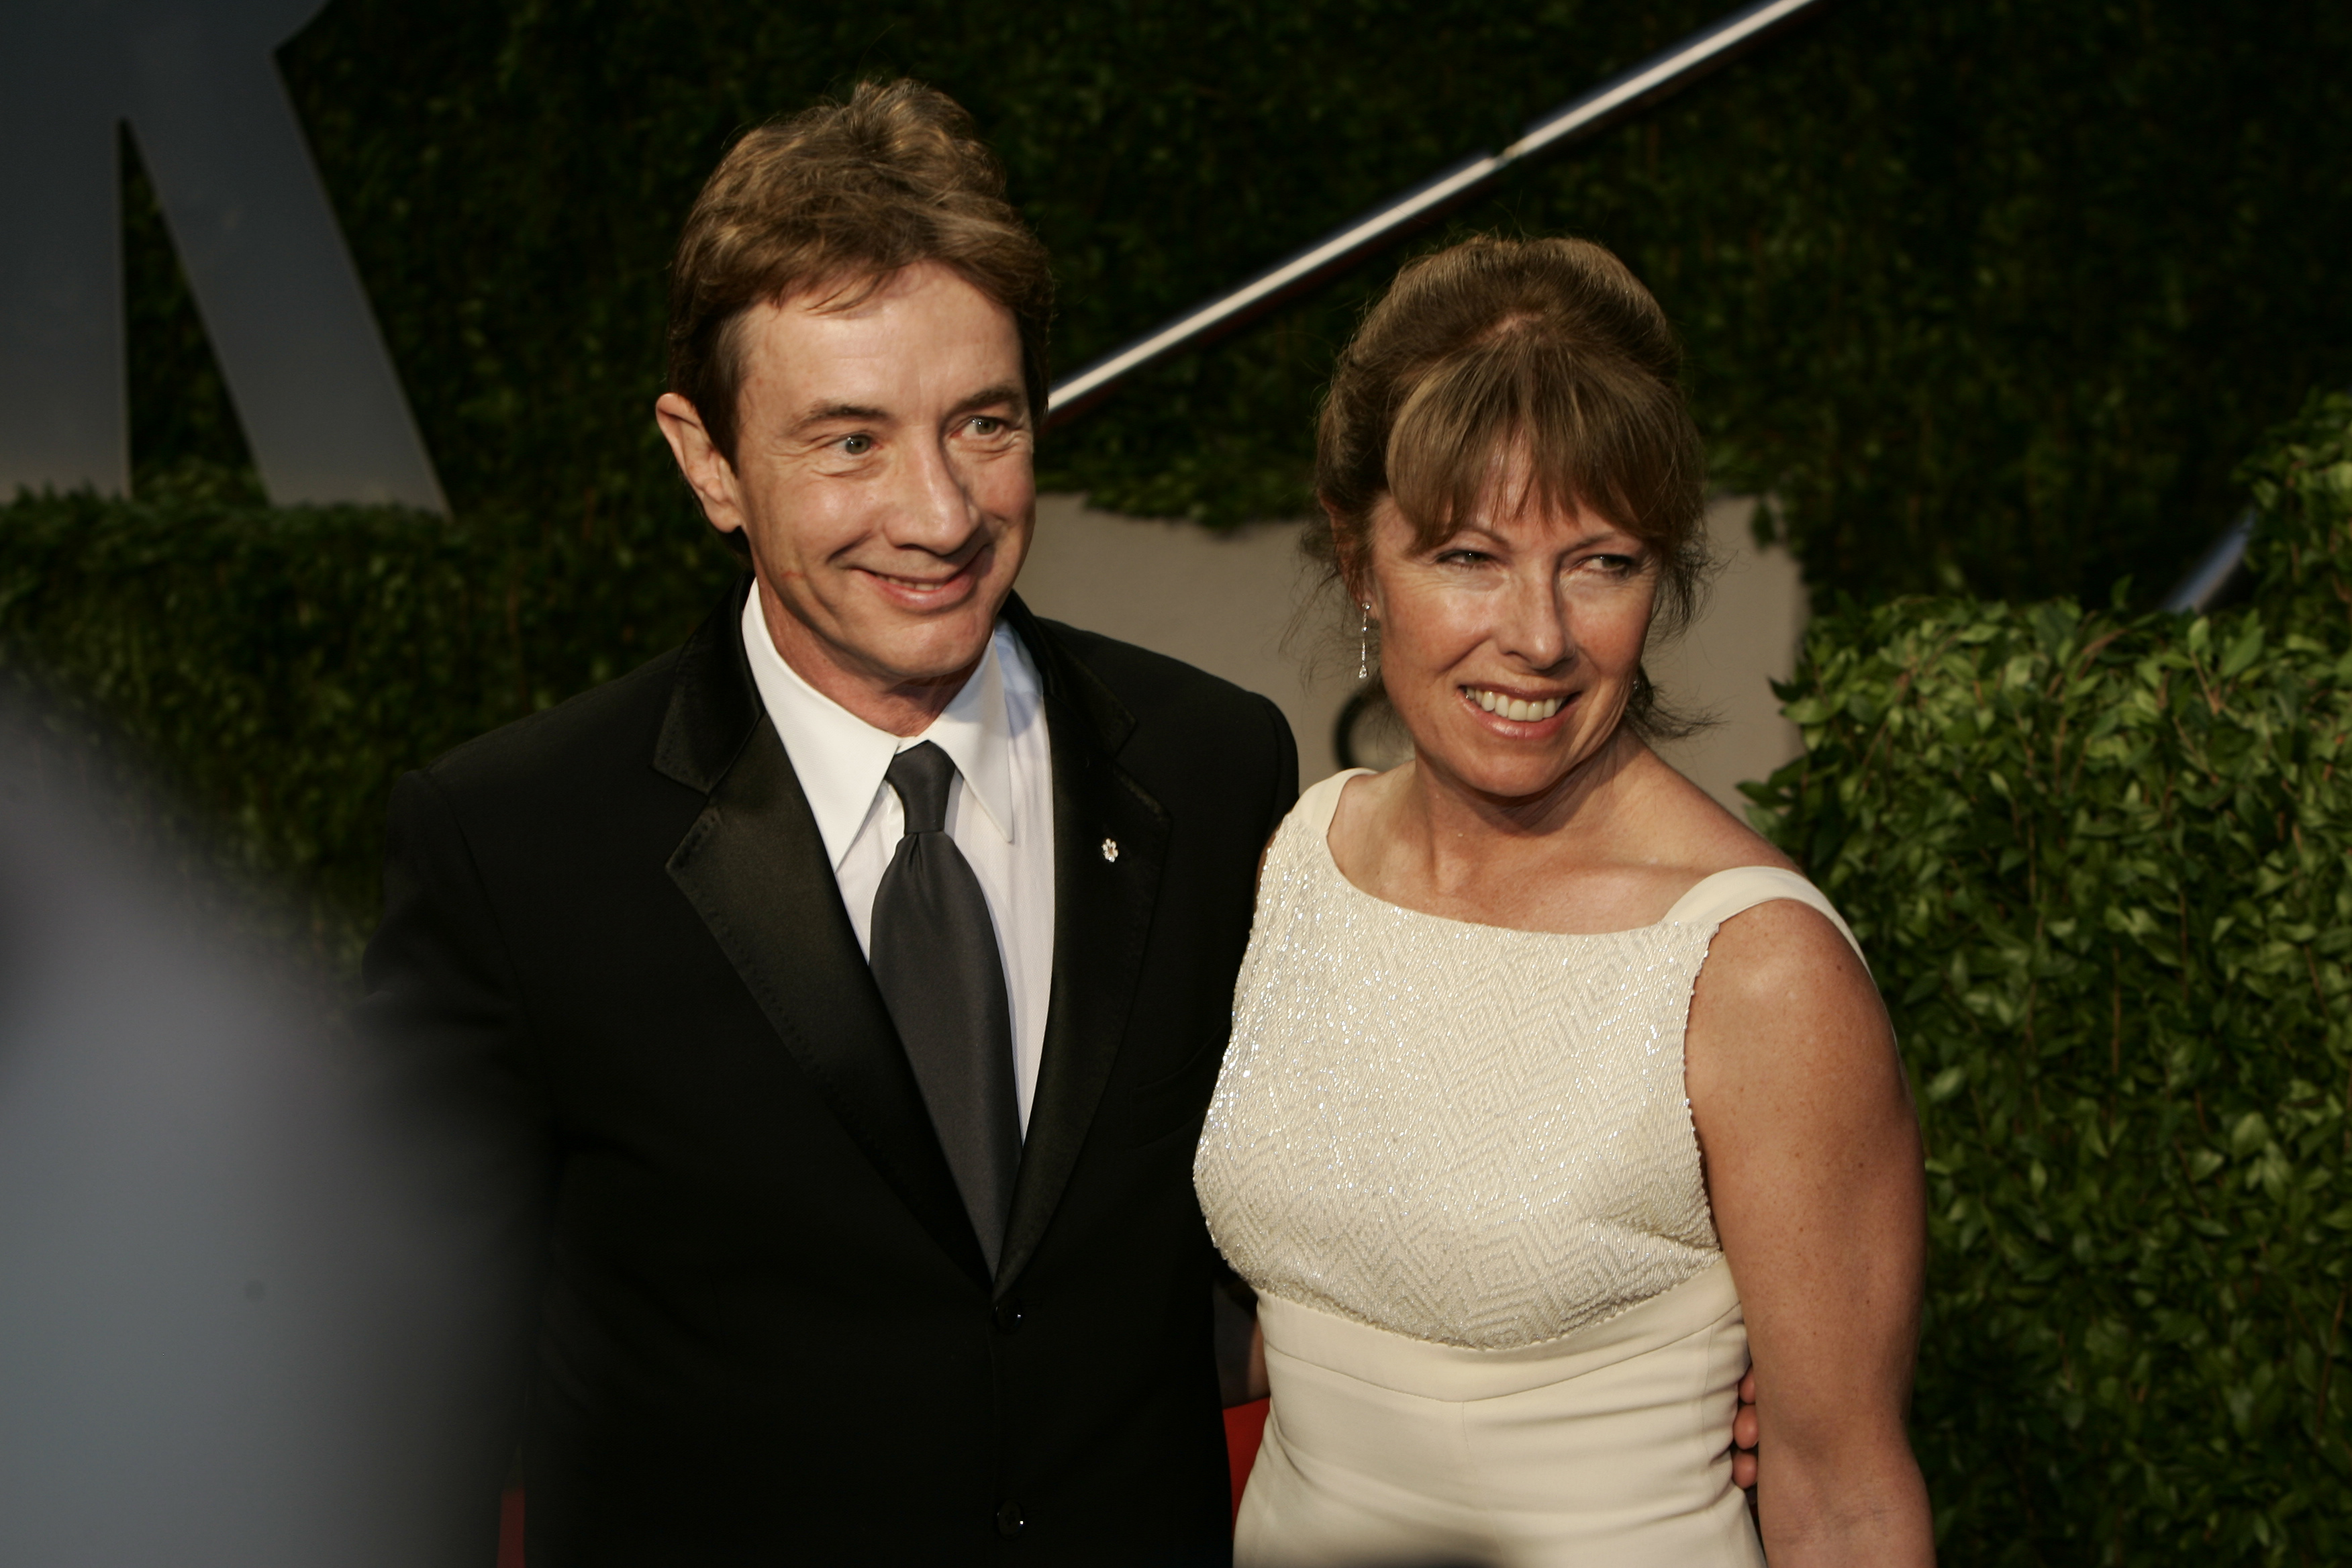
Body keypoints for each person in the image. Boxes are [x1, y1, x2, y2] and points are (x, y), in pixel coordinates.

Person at [360, 81, 1297, 1564]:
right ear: (707, 460)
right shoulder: (516, 847)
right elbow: (405, 1411)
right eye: (850, 441)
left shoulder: (1214, 765)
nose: (939, 513)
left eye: (983, 423)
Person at [1193, 236, 1931, 1567]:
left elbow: (1847, 1499)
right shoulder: (1300, 861)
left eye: (1602, 562)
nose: (1539, 635)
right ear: (1359, 557)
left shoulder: (1755, 967)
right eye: (1469, 556)